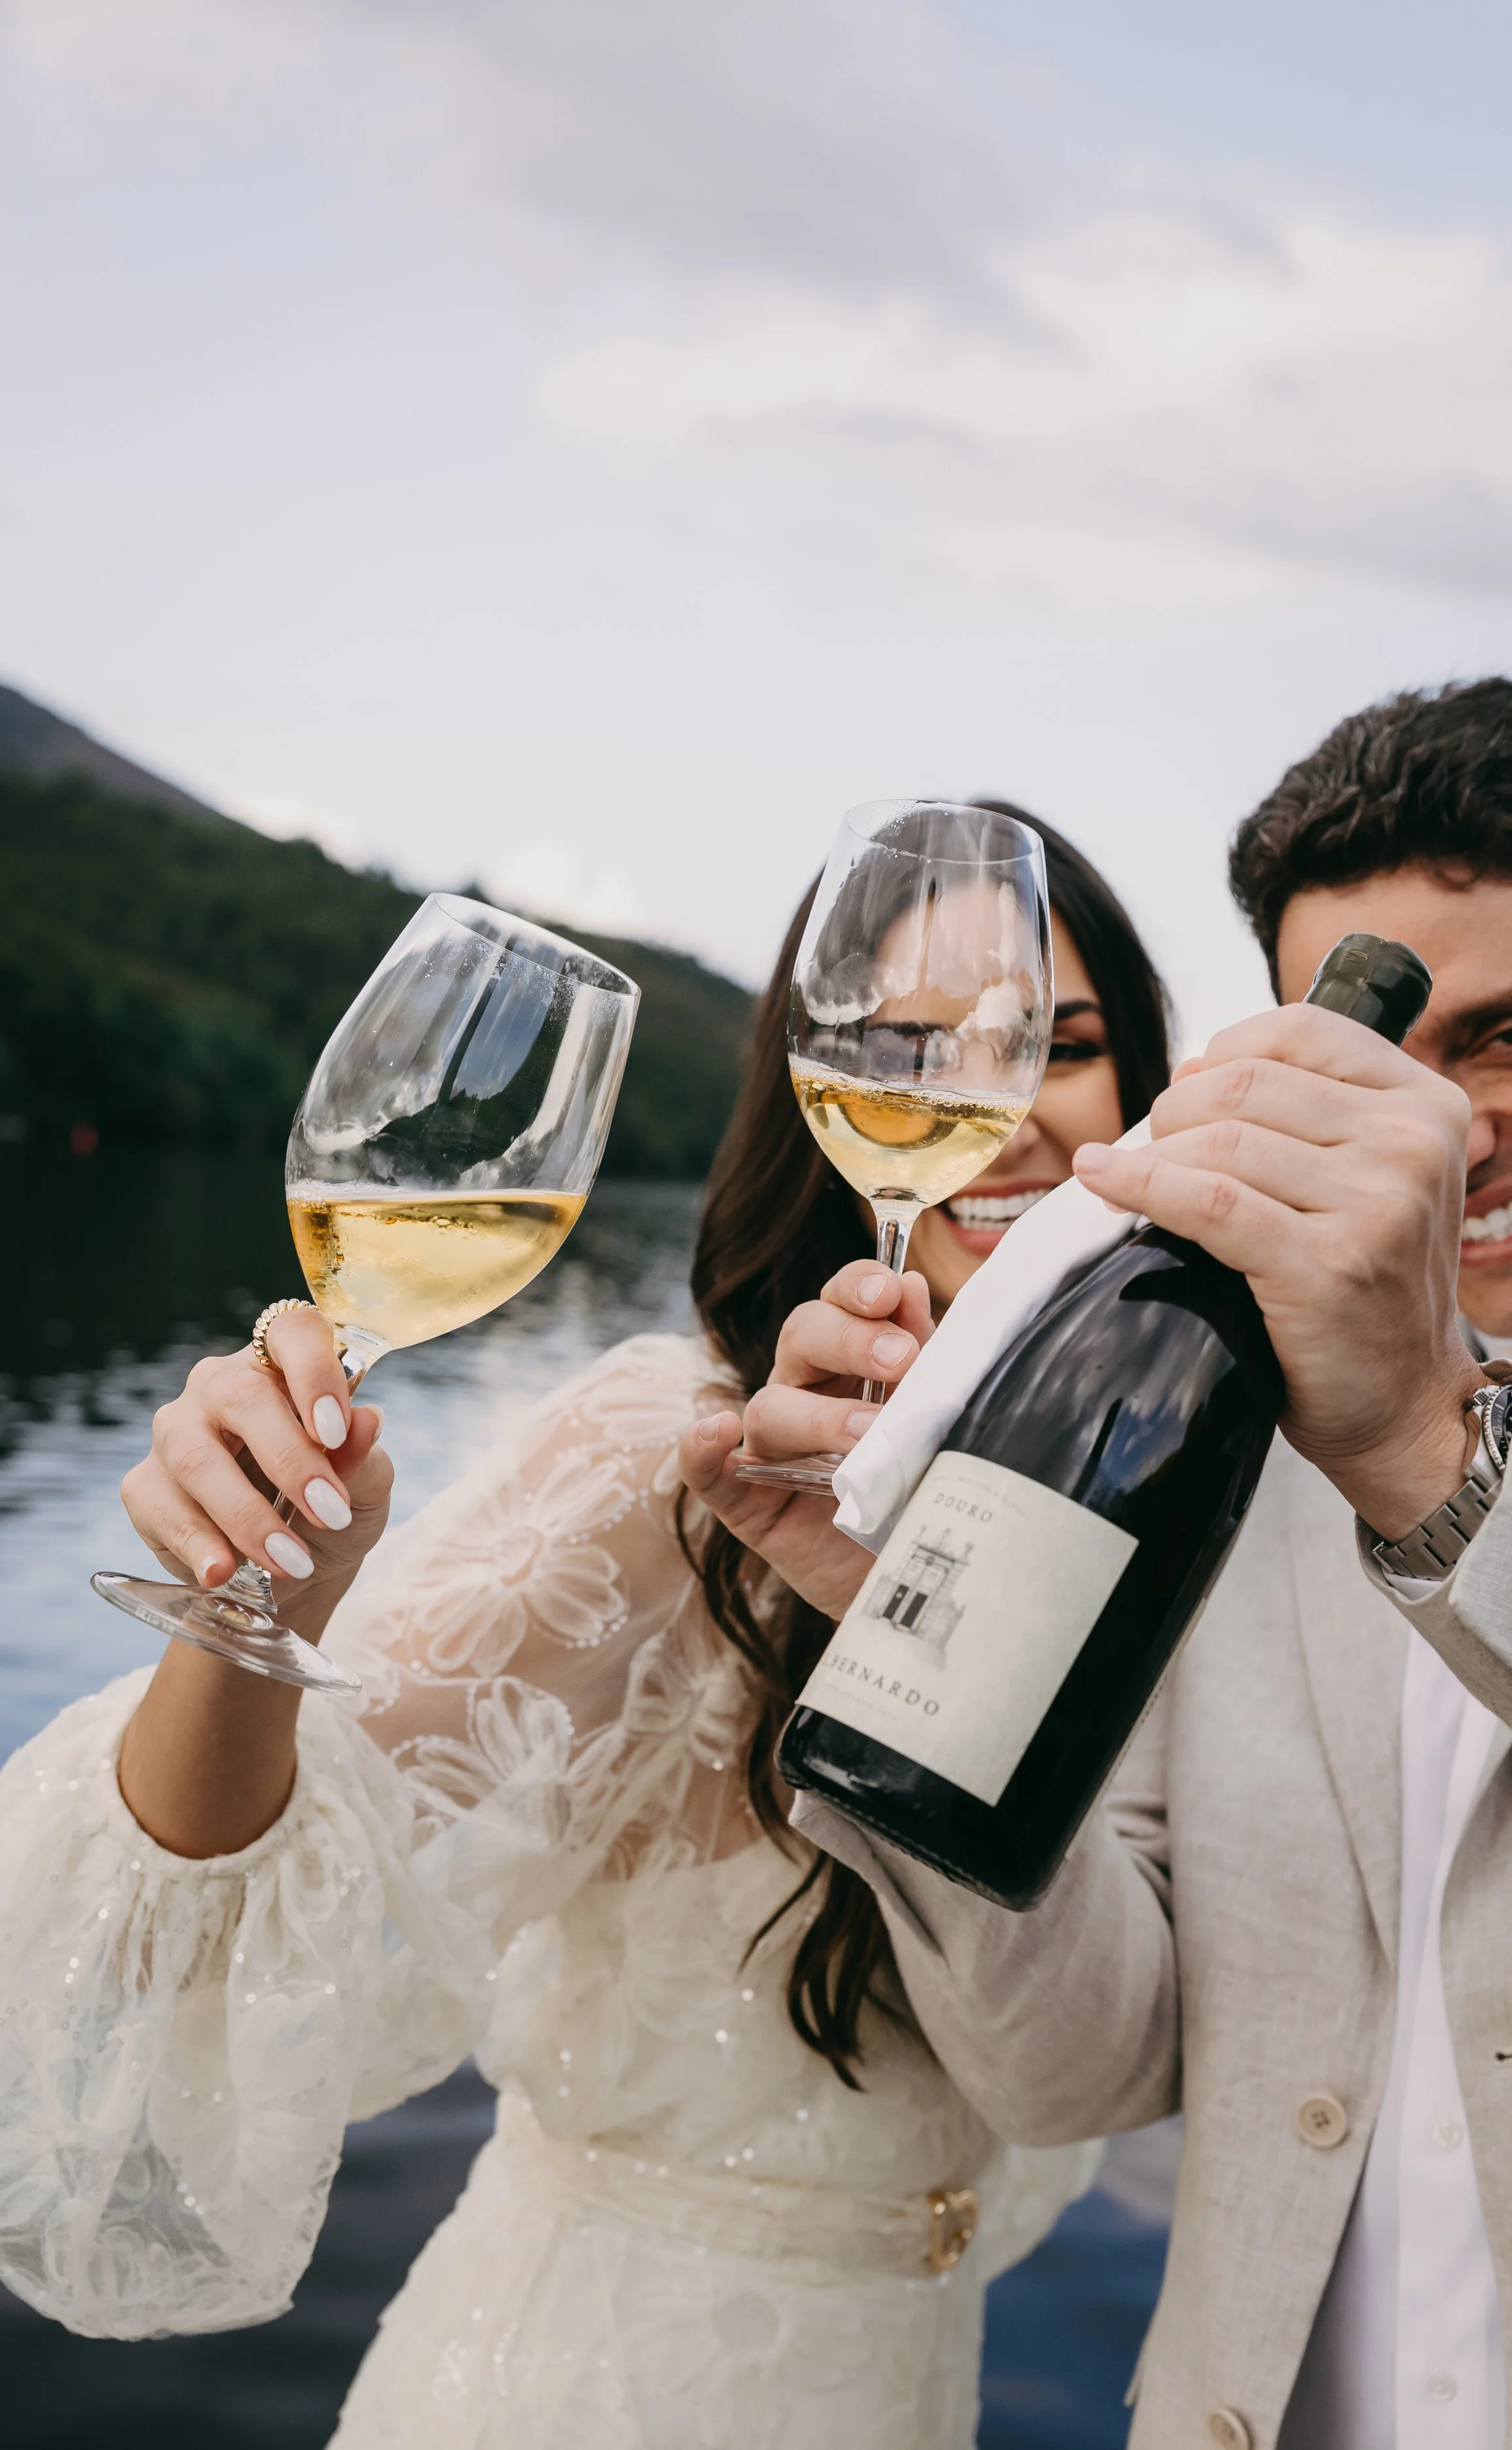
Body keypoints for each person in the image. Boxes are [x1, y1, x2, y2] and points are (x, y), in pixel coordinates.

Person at [0, 817, 1167, 2449]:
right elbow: (207, 1937)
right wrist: (254, 1603)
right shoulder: (674, 1455)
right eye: (903, 1047)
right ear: (815, 1096)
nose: (990, 1100)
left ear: (1138, 1089)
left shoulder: (1139, 1517)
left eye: (1054, 1042)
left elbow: (1113, 2053)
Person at [686, 678, 1512, 2449]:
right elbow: (1078, 2072)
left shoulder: (1369, 1421)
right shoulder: (1218, 1432)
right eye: (1377, 1061)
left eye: (1510, 1035)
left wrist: (1427, 1454)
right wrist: (918, 1640)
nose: (1430, 1135)